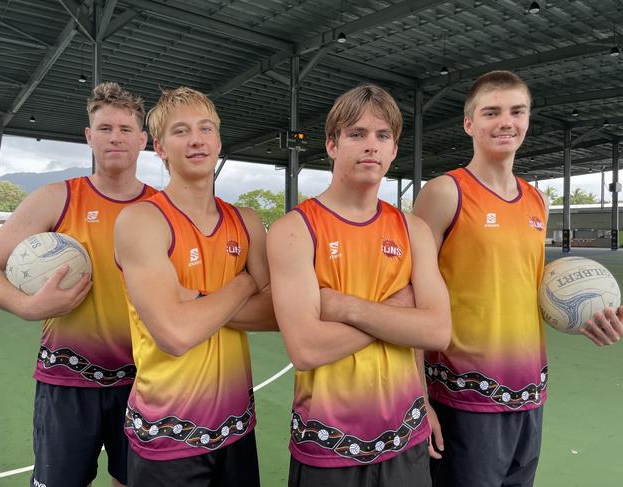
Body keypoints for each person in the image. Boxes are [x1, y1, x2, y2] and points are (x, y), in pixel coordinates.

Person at [413, 70, 623, 487]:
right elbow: (413, 295)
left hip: (530, 392)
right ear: (469, 123)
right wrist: (419, 399)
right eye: (491, 112)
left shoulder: (536, 199)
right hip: (462, 396)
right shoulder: (444, 192)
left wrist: (584, 313)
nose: (506, 121)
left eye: (517, 111)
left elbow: (524, 285)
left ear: (528, 119)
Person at [267, 84, 452, 487]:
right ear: (332, 145)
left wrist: (345, 307)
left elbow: (436, 331)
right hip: (328, 445)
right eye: (357, 134)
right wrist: (400, 311)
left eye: (382, 136)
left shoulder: (413, 229)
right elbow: (306, 348)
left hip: (407, 437)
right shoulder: (294, 230)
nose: (371, 145)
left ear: (394, 150)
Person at [0, 82, 156, 486]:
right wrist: (26, 306)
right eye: (105, 128)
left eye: (126, 130)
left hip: (144, 380)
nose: (116, 137)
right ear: (89, 136)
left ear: (143, 140)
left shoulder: (162, 209)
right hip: (68, 380)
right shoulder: (56, 198)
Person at [114, 86, 276, 487]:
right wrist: (245, 283)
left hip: (236, 428)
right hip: (167, 435)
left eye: (206, 128)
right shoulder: (142, 221)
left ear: (219, 140)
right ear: (160, 147)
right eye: (181, 131)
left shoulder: (248, 221)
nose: (197, 140)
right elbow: (175, 333)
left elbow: (277, 313)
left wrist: (196, 302)